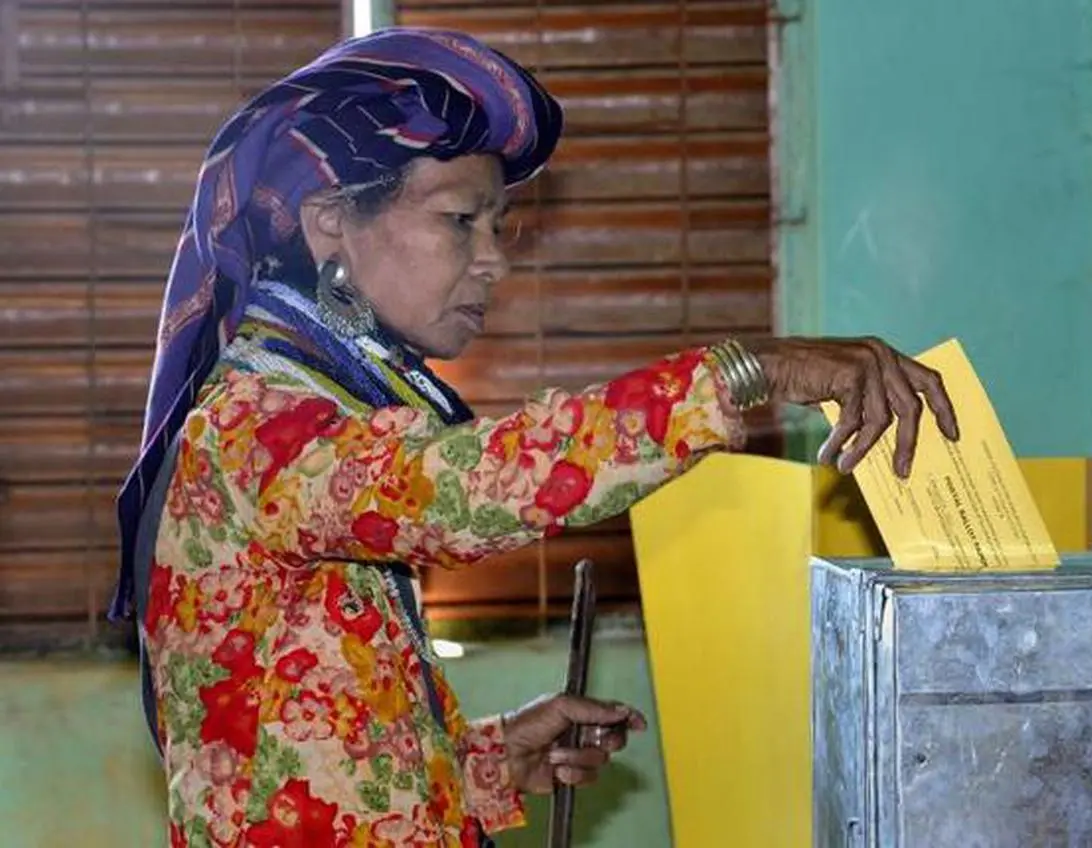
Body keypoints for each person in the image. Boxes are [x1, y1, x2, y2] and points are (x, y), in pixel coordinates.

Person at [109, 27, 958, 848]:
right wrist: (753, 371)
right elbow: (471, 491)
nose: (494, 261)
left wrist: (484, 759)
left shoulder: (321, 406)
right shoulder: (258, 426)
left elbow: (295, 750)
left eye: (497, 226)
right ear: (331, 221)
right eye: (459, 221)